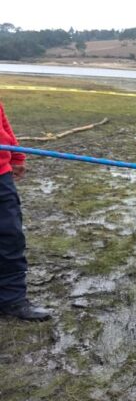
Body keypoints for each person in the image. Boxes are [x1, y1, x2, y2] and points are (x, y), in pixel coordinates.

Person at [0, 101, 52, 321]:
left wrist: (16, 156)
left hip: (1, 175)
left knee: (10, 236)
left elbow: (2, 123)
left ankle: (12, 300)